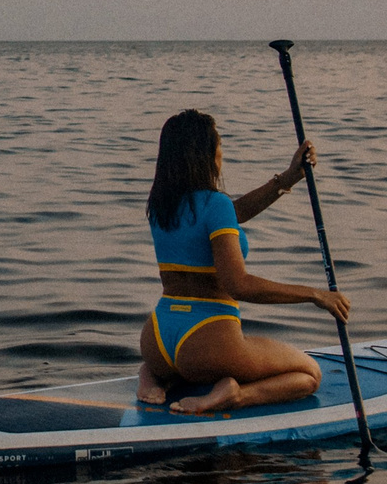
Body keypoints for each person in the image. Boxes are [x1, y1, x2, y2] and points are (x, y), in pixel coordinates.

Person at [138, 108, 352, 414]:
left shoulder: (162, 205)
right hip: (207, 342)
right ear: (206, 153)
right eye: (220, 144)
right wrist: (315, 295)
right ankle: (233, 395)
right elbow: (238, 285)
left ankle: (150, 376)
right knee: (308, 375)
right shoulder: (215, 205)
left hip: (157, 339)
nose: (222, 152)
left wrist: (287, 179)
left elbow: (231, 214)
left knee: (173, 364)